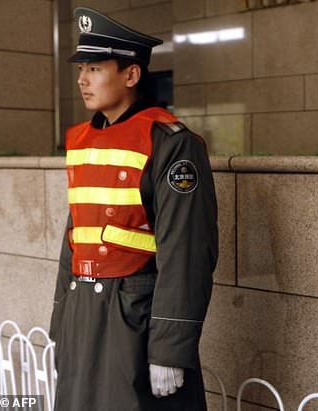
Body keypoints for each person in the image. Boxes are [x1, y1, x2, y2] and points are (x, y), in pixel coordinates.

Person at [48, 7, 218, 411]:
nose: (81, 79)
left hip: (135, 321)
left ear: (131, 75)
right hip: (83, 315)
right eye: (81, 68)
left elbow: (187, 251)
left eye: (94, 68)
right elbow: (75, 239)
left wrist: (170, 348)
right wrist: (61, 324)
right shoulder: (84, 140)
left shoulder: (172, 144)